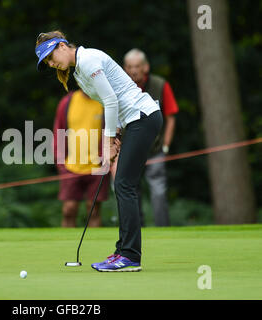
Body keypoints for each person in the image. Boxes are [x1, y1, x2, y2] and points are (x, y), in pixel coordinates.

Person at [35, 31, 162, 272]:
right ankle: (123, 251)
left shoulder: (89, 59)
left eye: (51, 57)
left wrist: (108, 140)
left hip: (143, 117)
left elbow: (112, 100)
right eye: (48, 63)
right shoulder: (80, 71)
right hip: (134, 121)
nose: (52, 64)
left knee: (124, 184)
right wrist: (116, 135)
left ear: (62, 46)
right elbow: (111, 102)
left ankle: (130, 256)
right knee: (123, 185)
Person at [122, 48, 179, 227]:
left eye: (137, 66)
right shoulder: (120, 86)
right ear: (124, 68)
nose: (133, 71)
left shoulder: (160, 84)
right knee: (131, 190)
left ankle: (163, 229)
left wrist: (166, 145)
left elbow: (171, 116)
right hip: (130, 150)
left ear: (145, 67)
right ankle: (137, 229)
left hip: (155, 151)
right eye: (130, 67)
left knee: (158, 191)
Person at [53, 89, 110, 228]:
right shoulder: (67, 102)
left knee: (93, 209)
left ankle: (94, 246)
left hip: (97, 167)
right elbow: (58, 131)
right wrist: (59, 160)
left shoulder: (104, 102)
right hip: (71, 166)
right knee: (69, 209)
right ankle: (66, 246)